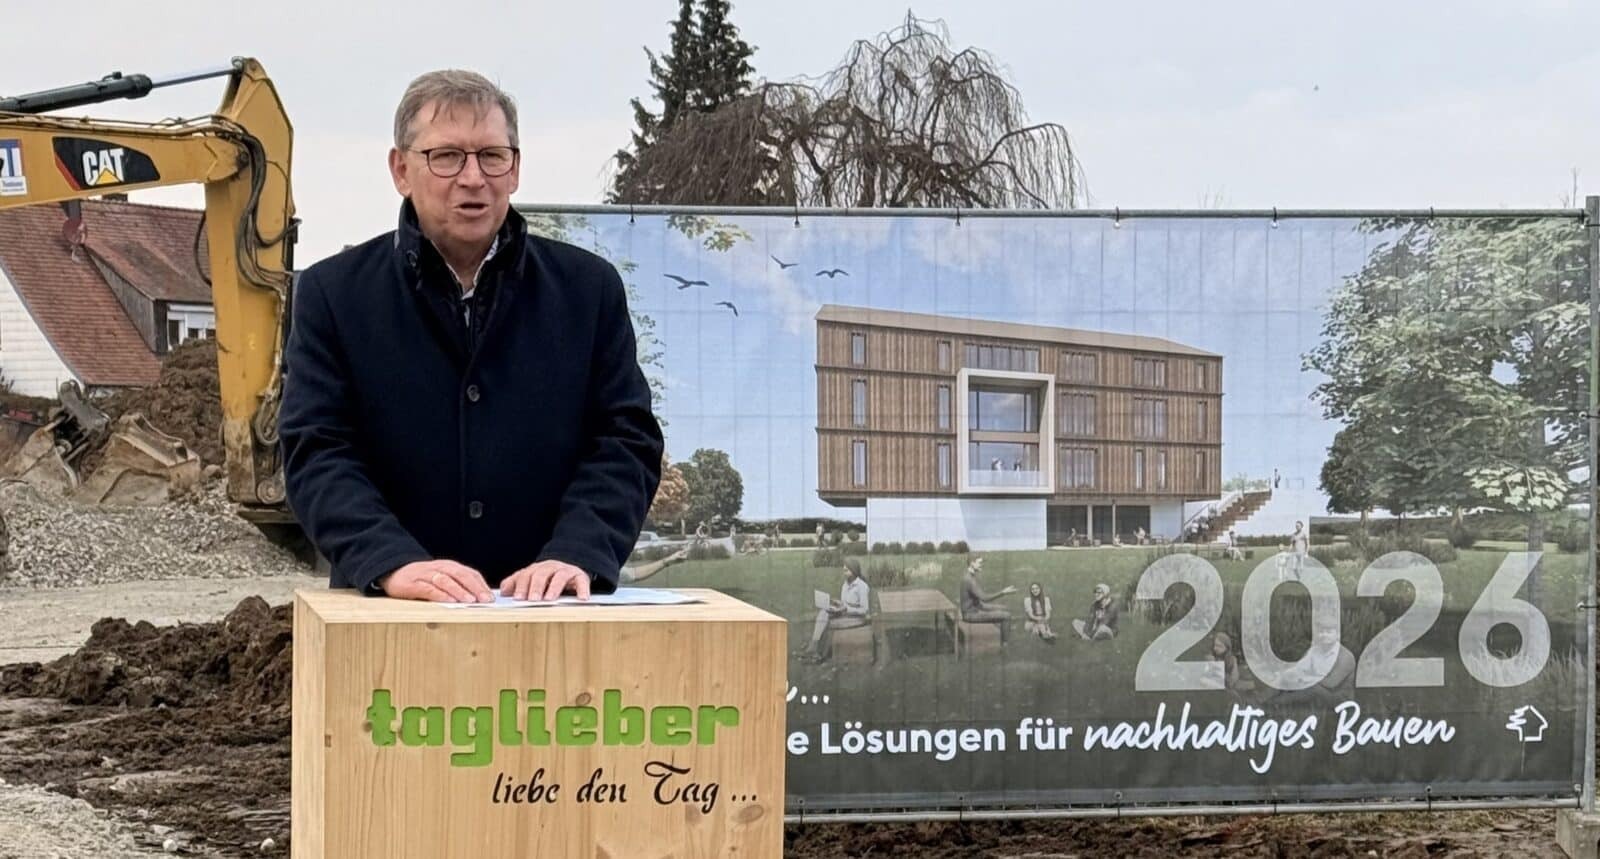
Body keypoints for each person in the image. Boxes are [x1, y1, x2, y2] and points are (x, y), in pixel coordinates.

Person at [279, 70, 663, 603]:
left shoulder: (587, 291)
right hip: (394, 617)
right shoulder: (333, 295)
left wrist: (578, 550)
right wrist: (389, 560)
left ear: (516, 168)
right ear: (401, 169)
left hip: (550, 613)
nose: (472, 178)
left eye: (491, 156)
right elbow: (317, 449)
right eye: (446, 157)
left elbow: (625, 441)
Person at [806, 558, 871, 662]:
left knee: (826, 620)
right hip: (845, 613)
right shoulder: (845, 584)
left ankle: (817, 650)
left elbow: (865, 609)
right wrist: (837, 603)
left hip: (857, 617)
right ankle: (815, 646)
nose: (844, 573)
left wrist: (846, 608)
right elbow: (844, 602)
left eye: (846, 571)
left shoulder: (862, 587)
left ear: (854, 571)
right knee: (823, 612)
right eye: (843, 570)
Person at [959, 556, 1016, 642]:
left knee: (1004, 608)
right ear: (971, 563)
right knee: (1006, 616)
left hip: (976, 608)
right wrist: (1003, 592)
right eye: (980, 563)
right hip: (970, 615)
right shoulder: (969, 579)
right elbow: (984, 598)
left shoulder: (970, 575)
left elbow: (978, 599)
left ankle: (1000, 634)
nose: (981, 565)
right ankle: (1005, 645)